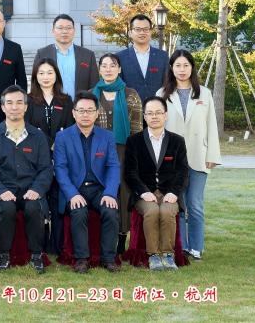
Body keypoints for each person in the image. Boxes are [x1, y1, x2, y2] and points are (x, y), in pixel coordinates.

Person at [158, 49, 221, 260]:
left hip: (198, 157)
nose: (182, 70)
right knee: (177, 204)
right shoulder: (162, 94)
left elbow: (211, 125)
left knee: (195, 204)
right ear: (171, 68)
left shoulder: (204, 93)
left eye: (186, 65)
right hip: (171, 160)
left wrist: (212, 155)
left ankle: (196, 247)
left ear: (192, 67)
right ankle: (181, 246)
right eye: (178, 65)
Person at [0, 86, 52, 273]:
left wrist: (37, 189)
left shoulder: (38, 136)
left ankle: (36, 255)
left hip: (31, 189)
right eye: (9, 103)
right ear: (3, 107)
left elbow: (46, 168)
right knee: (6, 208)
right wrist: (1, 191)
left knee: (34, 207)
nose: (14, 107)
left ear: (26, 107)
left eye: (19, 102)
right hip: (4, 189)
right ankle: (3, 255)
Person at [53, 92, 122, 274]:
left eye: (90, 110)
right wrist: (72, 194)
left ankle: (108, 258)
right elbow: (60, 169)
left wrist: (110, 193)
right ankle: (81, 259)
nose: (85, 114)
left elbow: (113, 166)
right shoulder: (62, 137)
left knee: (110, 210)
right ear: (74, 113)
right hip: (75, 189)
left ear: (97, 113)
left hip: (99, 189)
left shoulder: (107, 136)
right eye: (81, 110)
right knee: (79, 211)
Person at [124, 97, 189, 270]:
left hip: (169, 193)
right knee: (152, 211)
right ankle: (153, 256)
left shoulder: (177, 141)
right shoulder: (134, 141)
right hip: (144, 194)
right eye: (150, 113)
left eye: (158, 112)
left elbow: (182, 171)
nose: (154, 116)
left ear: (165, 115)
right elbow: (130, 172)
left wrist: (174, 192)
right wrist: (143, 192)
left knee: (167, 211)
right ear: (144, 116)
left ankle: (167, 255)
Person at [92, 52, 144, 251]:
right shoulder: (91, 94)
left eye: (113, 65)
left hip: (124, 150)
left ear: (119, 69)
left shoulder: (131, 94)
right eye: (104, 65)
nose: (108, 69)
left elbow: (137, 129)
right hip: (97, 150)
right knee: (101, 189)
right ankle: (101, 237)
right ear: (99, 69)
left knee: (123, 192)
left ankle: (122, 237)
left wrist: (135, 156)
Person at [27, 58, 75, 255]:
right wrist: (49, 143)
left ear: (56, 75)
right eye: (41, 73)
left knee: (57, 200)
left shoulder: (66, 100)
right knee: (39, 200)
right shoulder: (28, 100)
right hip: (36, 158)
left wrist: (58, 144)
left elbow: (70, 127)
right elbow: (29, 128)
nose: (45, 77)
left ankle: (57, 244)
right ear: (35, 76)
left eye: (49, 73)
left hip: (61, 157)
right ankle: (39, 244)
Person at [33, 14, 99, 97]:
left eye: (68, 28)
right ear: (53, 31)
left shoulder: (88, 55)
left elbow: (94, 85)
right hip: (50, 103)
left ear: (74, 31)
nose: (64, 31)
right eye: (60, 28)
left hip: (80, 104)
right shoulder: (42, 53)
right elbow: (35, 82)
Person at [115, 14, 170, 99]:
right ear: (130, 33)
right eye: (137, 29)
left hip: (157, 105)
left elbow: (167, 84)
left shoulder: (162, 56)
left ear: (151, 32)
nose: (142, 33)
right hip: (129, 106)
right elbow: (118, 86)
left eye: (146, 29)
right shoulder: (120, 57)